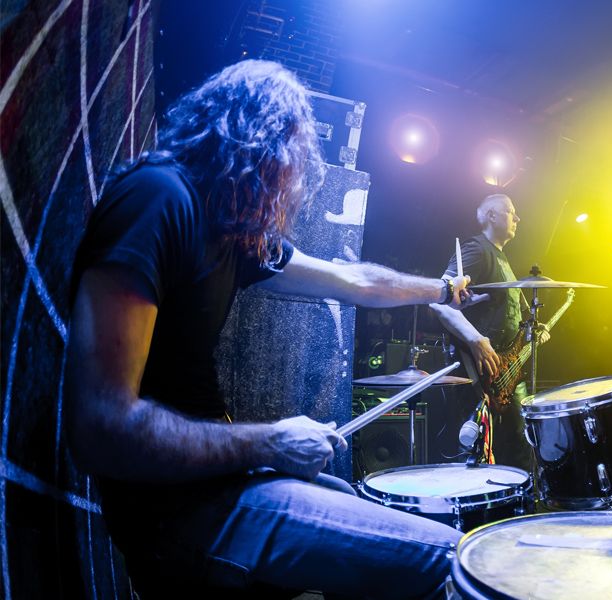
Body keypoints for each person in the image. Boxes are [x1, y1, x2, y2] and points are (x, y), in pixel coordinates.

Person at [65, 60, 474, 598]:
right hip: (177, 510)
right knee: (454, 559)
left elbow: (351, 279)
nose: (295, 188)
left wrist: (443, 291)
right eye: (295, 166)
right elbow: (101, 425)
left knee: (370, 512)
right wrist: (270, 441)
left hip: (220, 489)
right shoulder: (158, 199)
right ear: (263, 146)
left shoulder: (231, 229)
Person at [429, 193, 540, 473]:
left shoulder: (502, 257)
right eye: (511, 212)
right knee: (474, 450)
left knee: (519, 444)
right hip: (479, 372)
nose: (518, 218)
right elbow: (438, 298)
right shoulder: (478, 249)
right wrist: (475, 339)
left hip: (507, 371)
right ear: (491, 215)